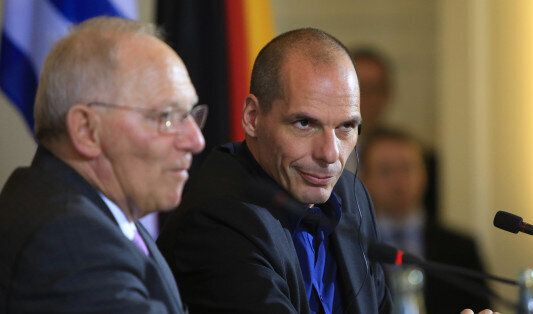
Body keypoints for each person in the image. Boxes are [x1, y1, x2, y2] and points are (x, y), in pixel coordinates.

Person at [157, 28, 391, 313]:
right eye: (304, 124)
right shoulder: (217, 219)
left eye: (346, 127)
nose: (330, 154)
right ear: (253, 118)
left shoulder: (352, 196)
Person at [0, 17, 206, 313]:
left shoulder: (106, 215)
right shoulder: (66, 240)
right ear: (86, 130)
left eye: (190, 114)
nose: (195, 140)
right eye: (167, 117)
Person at [360, 127, 492, 313]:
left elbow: (482, 306)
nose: (399, 181)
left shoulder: (460, 247)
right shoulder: (351, 246)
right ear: (365, 179)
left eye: (407, 168)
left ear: (424, 175)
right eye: (386, 171)